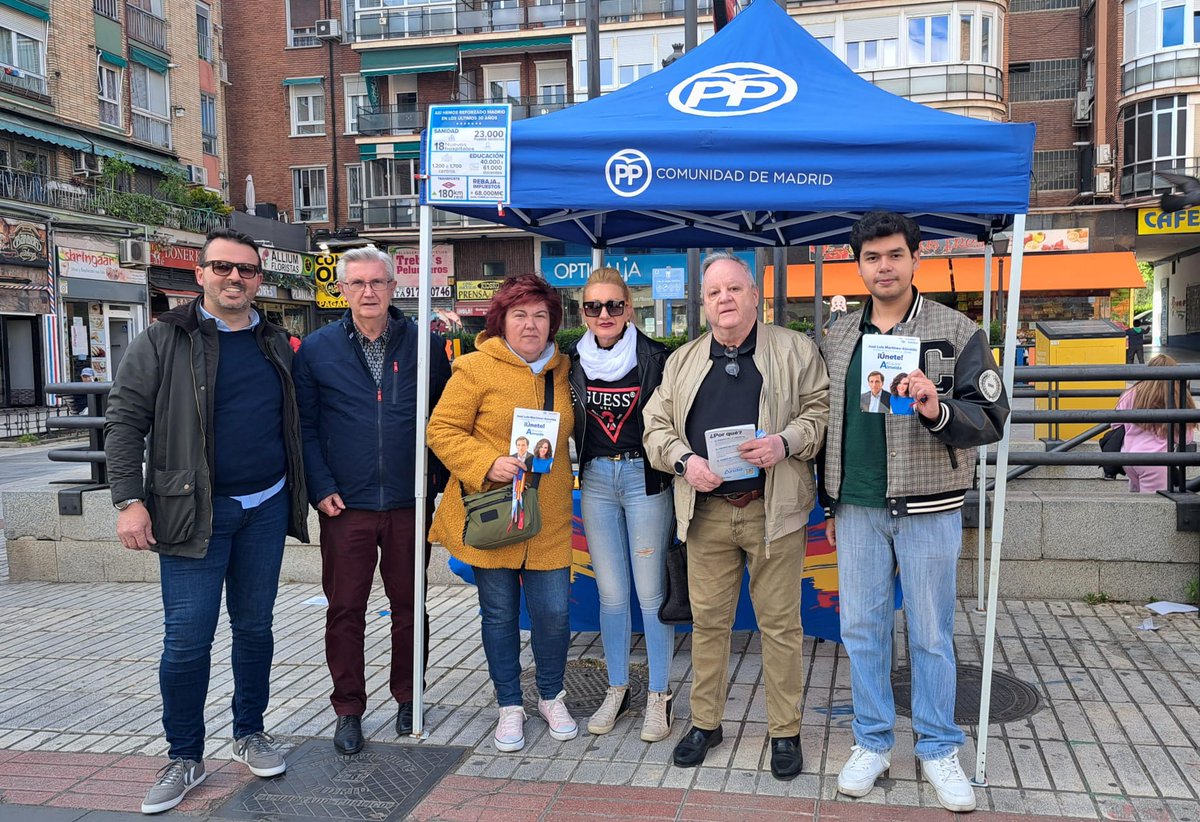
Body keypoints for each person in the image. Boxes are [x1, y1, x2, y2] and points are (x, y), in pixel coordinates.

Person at [104, 228, 308, 815]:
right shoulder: (164, 338)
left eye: (246, 270)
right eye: (222, 267)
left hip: (265, 508)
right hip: (192, 512)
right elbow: (123, 423)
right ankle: (184, 756)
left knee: (255, 629)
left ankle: (250, 732)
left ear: (259, 279)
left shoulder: (274, 340)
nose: (234, 278)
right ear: (201, 274)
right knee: (187, 640)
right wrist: (128, 500)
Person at [820, 211, 1008, 813]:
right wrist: (829, 496)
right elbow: (826, 420)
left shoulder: (957, 331)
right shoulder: (838, 335)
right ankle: (872, 741)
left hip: (931, 505)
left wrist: (935, 408)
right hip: (858, 505)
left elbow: (993, 420)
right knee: (862, 630)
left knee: (931, 635)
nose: (884, 267)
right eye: (872, 258)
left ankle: (938, 746)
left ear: (914, 258)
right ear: (858, 265)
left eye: (894, 255)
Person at [643, 252, 829, 780]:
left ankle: (785, 730)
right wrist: (685, 461)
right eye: (714, 293)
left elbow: (820, 412)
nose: (724, 299)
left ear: (754, 295)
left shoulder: (795, 350)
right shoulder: (682, 361)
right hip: (707, 514)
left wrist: (785, 442)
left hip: (775, 511)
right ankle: (706, 723)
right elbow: (656, 428)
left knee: (780, 626)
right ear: (704, 305)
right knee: (708, 625)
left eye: (734, 289)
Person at [292, 246, 451, 756]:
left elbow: (444, 420)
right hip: (346, 504)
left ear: (392, 287)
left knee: (411, 607)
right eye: (357, 283)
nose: (368, 292)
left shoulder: (424, 344)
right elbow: (305, 427)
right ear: (342, 289)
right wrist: (320, 486)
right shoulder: (316, 349)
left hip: (409, 500)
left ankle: (409, 698)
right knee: (345, 610)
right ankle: (348, 710)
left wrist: (437, 481)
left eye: (377, 283)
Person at [427, 273, 577, 753]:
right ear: (502, 321)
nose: (530, 325)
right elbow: (442, 430)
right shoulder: (474, 368)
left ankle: (552, 694)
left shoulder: (565, 370)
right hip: (495, 513)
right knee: (499, 614)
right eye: (519, 315)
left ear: (552, 322)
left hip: (549, 515)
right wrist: (486, 463)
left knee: (553, 614)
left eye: (539, 315)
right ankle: (509, 703)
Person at [568, 267, 675, 743]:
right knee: (611, 595)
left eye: (614, 305)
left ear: (629, 309)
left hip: (644, 478)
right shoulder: (570, 361)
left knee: (651, 594)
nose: (604, 314)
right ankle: (617, 687)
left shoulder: (657, 357)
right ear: (583, 312)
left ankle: (658, 693)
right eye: (594, 306)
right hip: (594, 478)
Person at [1112, 353, 1197, 493]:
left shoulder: (1130, 393)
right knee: (1154, 508)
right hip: (1156, 460)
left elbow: (1116, 425)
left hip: (1127, 457)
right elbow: (1185, 439)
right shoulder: (1174, 395)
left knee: (1136, 505)